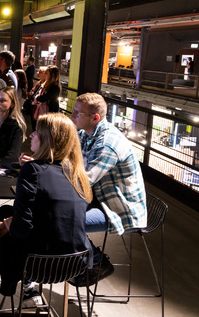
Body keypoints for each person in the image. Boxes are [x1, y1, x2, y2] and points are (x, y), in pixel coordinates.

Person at [0, 113, 93, 301]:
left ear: (47, 139)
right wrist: (10, 222)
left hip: (40, 265)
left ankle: (8, 285)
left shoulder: (32, 171)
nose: (31, 135)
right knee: (7, 214)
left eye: (36, 132)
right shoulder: (77, 173)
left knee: (3, 217)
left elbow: (22, 231)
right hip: (76, 262)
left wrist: (7, 224)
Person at [69, 93, 147, 286]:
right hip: (100, 199)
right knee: (57, 214)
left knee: (65, 221)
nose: (72, 116)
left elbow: (84, 181)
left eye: (77, 113)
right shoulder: (84, 134)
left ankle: (96, 261)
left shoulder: (107, 144)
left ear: (95, 118)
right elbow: (69, 162)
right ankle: (77, 259)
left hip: (119, 209)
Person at [32, 65, 61, 131]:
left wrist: (37, 98)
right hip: (43, 112)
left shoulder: (54, 87)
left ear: (52, 75)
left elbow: (45, 98)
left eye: (46, 73)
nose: (44, 74)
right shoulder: (47, 84)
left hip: (49, 114)